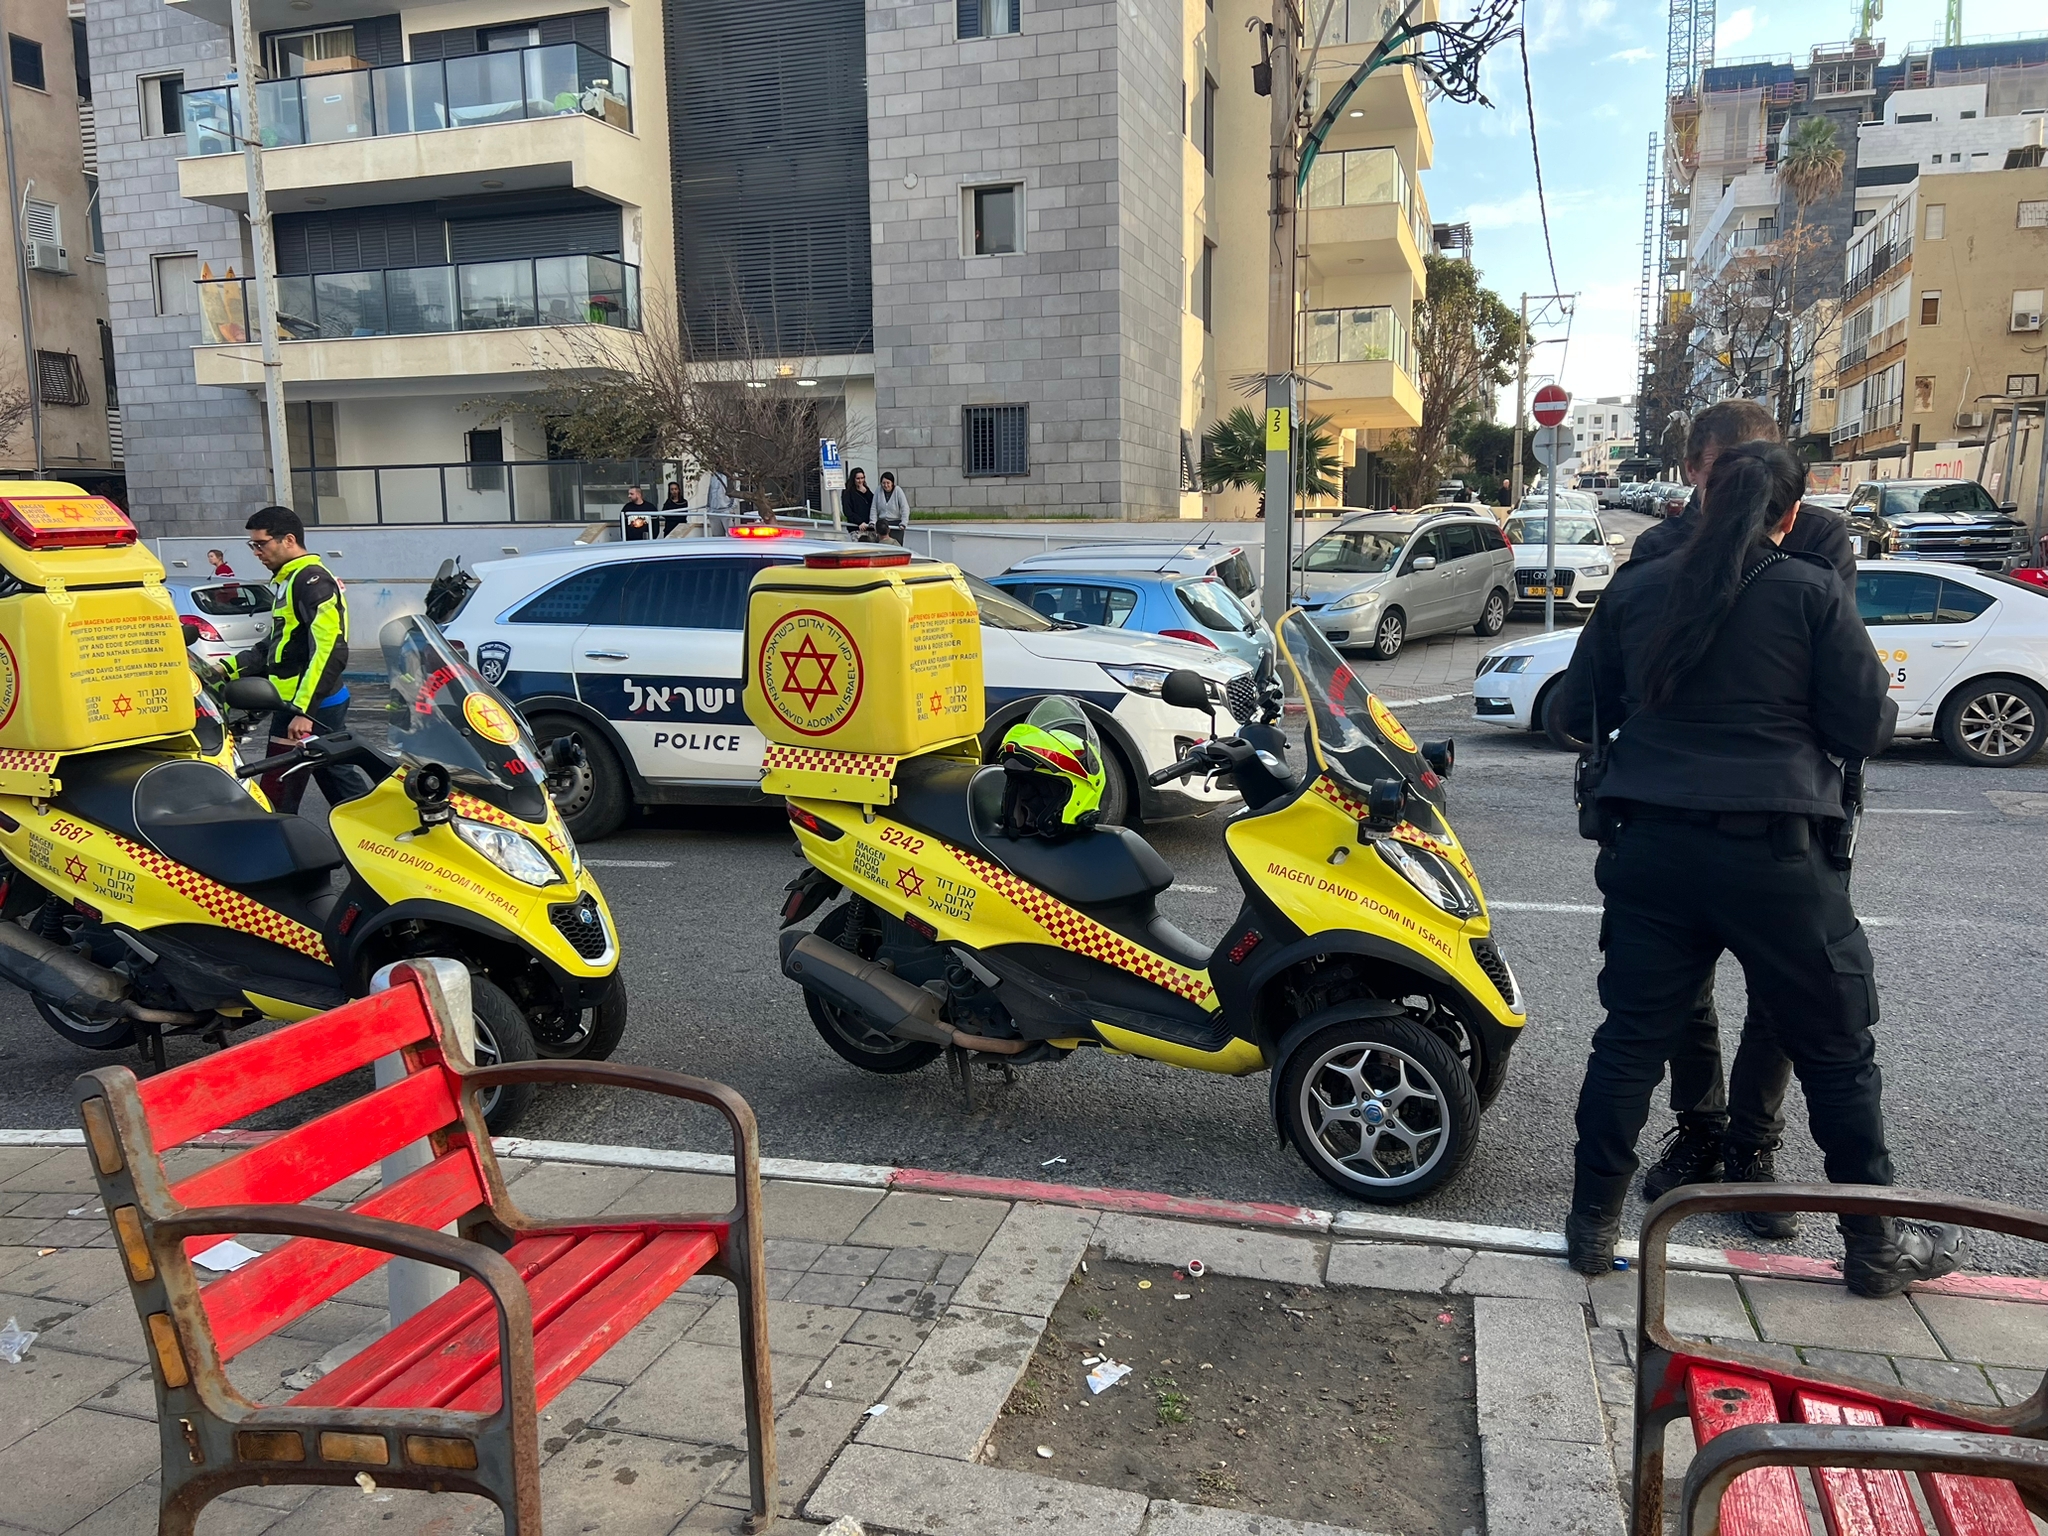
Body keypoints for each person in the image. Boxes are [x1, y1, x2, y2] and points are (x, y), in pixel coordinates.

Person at [1554, 441, 1963, 1298]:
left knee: (1629, 1041)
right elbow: (1862, 728)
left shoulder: (1638, 587)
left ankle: (1592, 1229)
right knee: (1836, 1051)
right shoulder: (1809, 590)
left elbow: (1574, 709)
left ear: (1705, 501)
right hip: (1777, 853)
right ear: (1791, 514)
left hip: (1651, 848)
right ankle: (1874, 1245)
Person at [1627, 402, 1855, 1240]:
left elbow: (1840, 682)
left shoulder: (1820, 542)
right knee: (1682, 992)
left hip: (1792, 807)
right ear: (1694, 471)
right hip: (1678, 810)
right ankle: (1701, 1129)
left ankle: (1753, 1147)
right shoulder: (1657, 549)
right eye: (1726, 474)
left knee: (1782, 993)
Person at [227, 506, 369, 815]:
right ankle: (372, 827)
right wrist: (224, 670)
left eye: (260, 544)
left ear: (288, 540)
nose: (256, 552)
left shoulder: (312, 582)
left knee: (281, 785)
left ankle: (276, 837)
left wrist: (305, 712)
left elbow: (329, 650)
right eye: (252, 545)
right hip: (296, 703)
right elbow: (277, 645)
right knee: (332, 775)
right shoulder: (289, 580)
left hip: (308, 706)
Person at [874, 472, 910, 544]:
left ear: (892, 483)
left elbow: (905, 508)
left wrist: (903, 523)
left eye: (888, 483)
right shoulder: (878, 490)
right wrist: (873, 522)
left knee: (896, 544)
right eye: (883, 483)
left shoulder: (898, 490)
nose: (886, 485)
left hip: (896, 524)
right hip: (883, 524)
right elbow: (874, 507)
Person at [843, 468, 875, 537]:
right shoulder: (847, 492)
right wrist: (859, 522)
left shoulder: (866, 488)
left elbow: (874, 502)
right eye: (858, 479)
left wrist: (866, 492)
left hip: (869, 526)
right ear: (853, 479)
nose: (860, 481)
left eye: (862, 478)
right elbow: (847, 510)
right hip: (856, 527)